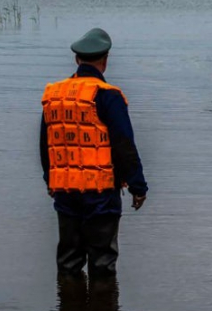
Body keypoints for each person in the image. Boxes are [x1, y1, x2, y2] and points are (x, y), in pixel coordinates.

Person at [40, 28, 148, 277]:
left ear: (77, 60)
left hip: (65, 191)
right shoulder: (109, 96)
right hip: (100, 190)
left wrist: (50, 180)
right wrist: (137, 186)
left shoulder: (55, 95)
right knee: (102, 263)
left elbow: (46, 143)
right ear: (105, 60)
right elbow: (124, 145)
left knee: (68, 261)